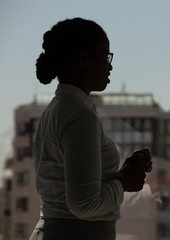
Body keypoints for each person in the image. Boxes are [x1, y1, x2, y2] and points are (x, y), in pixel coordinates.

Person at [30, 18, 152, 240]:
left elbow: (73, 187)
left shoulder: (59, 108)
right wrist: (123, 181)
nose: (110, 65)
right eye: (106, 55)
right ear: (84, 58)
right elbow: (84, 204)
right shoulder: (79, 115)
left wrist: (121, 174)